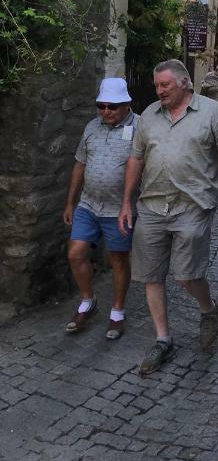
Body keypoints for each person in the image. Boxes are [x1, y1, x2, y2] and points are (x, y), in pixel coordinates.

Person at [119, 59, 218, 376]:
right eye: (157, 85)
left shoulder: (211, 113)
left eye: (165, 85)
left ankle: (208, 309)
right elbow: (135, 160)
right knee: (150, 275)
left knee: (186, 275)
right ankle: (163, 340)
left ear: (185, 83)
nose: (159, 91)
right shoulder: (149, 115)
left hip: (194, 205)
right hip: (151, 205)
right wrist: (125, 202)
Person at [62, 78, 138, 339]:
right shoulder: (92, 127)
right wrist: (71, 202)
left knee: (117, 259)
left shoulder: (139, 127)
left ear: (126, 104)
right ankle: (88, 301)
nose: (105, 111)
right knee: (75, 253)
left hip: (119, 208)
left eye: (112, 106)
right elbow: (80, 164)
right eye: (101, 106)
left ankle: (117, 311)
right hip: (89, 204)